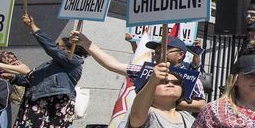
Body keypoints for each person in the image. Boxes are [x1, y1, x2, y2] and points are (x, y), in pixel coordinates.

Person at [0, 14, 85, 128]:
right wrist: (13, 78)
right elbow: (31, 79)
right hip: (37, 105)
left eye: (59, 46)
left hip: (56, 107)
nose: (56, 48)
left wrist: (33, 27)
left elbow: (50, 49)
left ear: (68, 49)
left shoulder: (73, 62)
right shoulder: (48, 66)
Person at [72, 31, 206, 113]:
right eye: (157, 51)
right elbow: (113, 65)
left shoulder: (190, 77)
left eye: (165, 50)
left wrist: (170, 101)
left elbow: (201, 105)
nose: (159, 54)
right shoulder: (147, 71)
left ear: (181, 55)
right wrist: (87, 43)